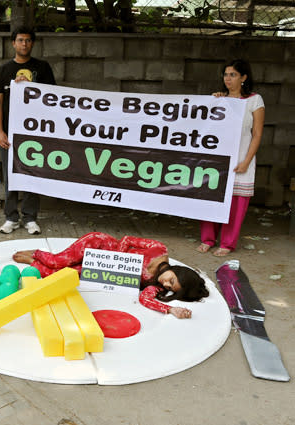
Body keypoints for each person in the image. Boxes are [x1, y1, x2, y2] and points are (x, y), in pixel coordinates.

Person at [13, 232, 209, 319]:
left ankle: (34, 262)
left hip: (100, 271)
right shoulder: (159, 249)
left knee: (56, 275)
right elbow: (127, 239)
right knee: (59, 261)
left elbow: (145, 298)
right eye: (171, 280)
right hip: (101, 245)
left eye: (169, 288)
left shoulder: (155, 285)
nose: (165, 283)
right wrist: (116, 260)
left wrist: (170, 309)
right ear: (176, 270)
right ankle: (37, 253)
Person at [196, 59, 265, 257]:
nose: (228, 79)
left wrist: (246, 161)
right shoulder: (218, 100)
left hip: (242, 159)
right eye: (226, 74)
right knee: (210, 199)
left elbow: (257, 134)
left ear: (244, 77)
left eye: (233, 75)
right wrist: (214, 102)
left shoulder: (254, 100)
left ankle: (227, 243)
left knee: (236, 204)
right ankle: (208, 239)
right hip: (217, 160)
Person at [0, 26, 56, 235]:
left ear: (33, 43)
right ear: (13, 43)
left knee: (32, 175)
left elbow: (53, 99)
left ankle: (30, 218)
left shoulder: (43, 68)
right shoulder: (3, 70)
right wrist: (0, 132)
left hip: (35, 133)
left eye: (28, 41)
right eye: (20, 40)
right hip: (10, 133)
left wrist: (31, 87)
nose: (24, 44)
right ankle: (11, 217)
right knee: (10, 176)